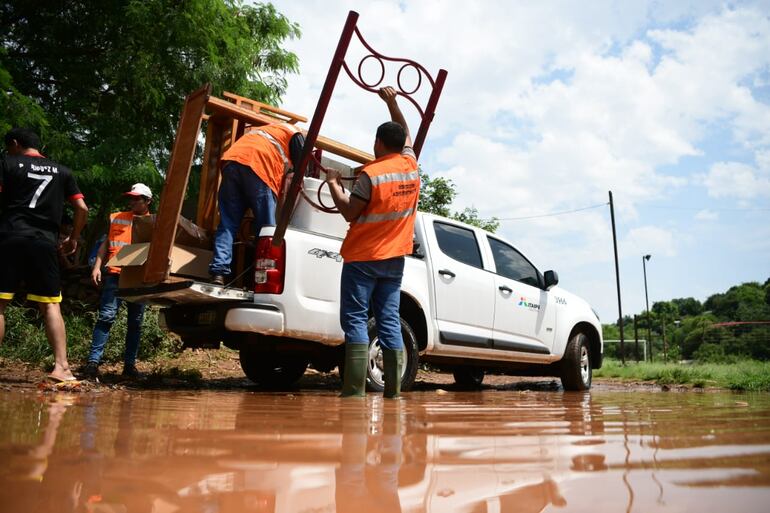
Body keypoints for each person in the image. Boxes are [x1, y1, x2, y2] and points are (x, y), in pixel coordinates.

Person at [326, 87, 420, 398]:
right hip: (394, 261)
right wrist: (392, 102)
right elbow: (406, 134)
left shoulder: (371, 175)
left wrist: (333, 186)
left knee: (354, 319)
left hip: (363, 259)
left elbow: (350, 213)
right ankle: (393, 393)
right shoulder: (411, 167)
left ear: (378, 143)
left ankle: (353, 393)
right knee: (388, 320)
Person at [0, 127, 88, 382]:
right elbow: (81, 207)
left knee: (1, 304)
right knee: (50, 304)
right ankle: (62, 368)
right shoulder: (62, 171)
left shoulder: (7, 163)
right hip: (44, 242)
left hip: (11, 236)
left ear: (15, 144)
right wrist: (73, 238)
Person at [208, 122, 305, 285]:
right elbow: (302, 167)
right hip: (259, 165)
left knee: (228, 223)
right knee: (267, 230)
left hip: (232, 162)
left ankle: (218, 273)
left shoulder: (269, 130)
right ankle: (263, 279)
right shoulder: (295, 132)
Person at [82, 183, 152, 379]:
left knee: (135, 323)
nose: (132, 201)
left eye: (137, 199)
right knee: (106, 317)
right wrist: (97, 267)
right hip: (115, 274)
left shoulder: (155, 223)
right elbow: (105, 244)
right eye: (131, 198)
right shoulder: (117, 217)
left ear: (148, 202)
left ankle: (129, 367)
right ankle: (93, 363)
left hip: (139, 280)